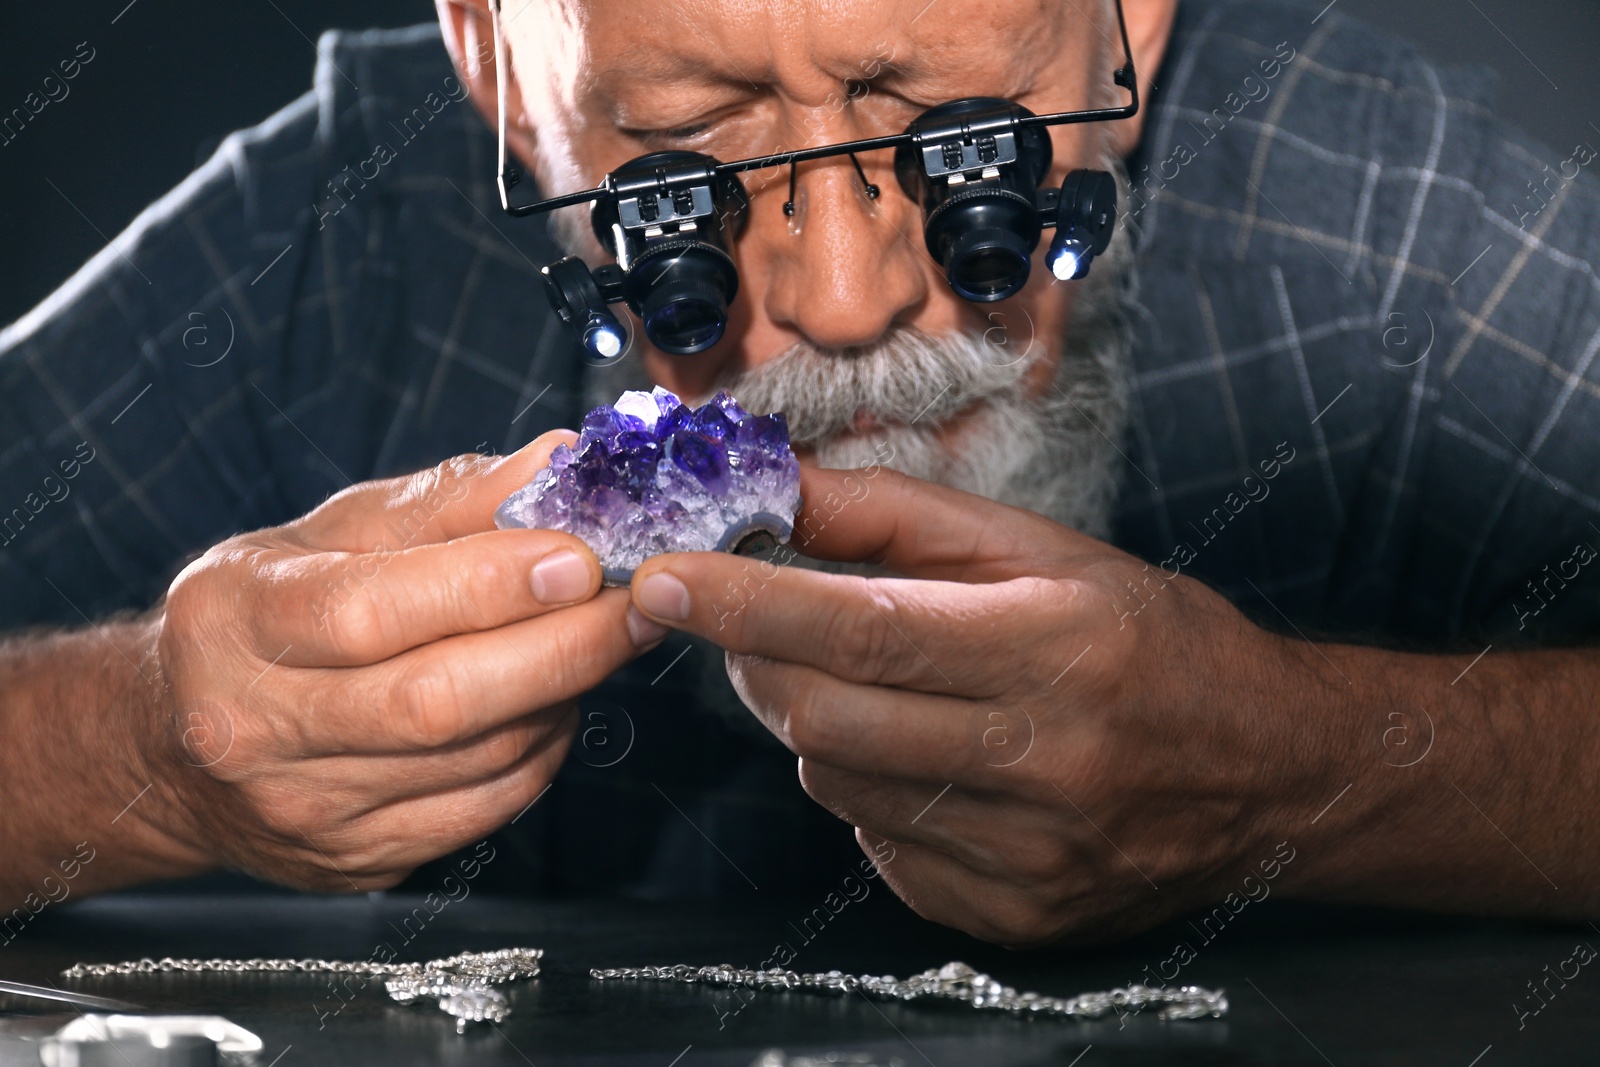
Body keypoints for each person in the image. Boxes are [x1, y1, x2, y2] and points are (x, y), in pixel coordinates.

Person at [1, 0, 1598, 949]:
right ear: (494, 59)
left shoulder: (1388, 225)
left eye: (947, 134)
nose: (842, 302)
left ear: (1134, 20)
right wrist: (140, 741)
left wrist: (1322, 780)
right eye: (690, 155)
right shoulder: (338, 249)